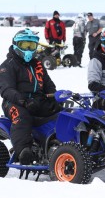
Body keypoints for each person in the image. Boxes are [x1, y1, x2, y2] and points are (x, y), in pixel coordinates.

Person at [0, 29, 62, 165]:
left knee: (61, 112)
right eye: (25, 45)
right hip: (13, 102)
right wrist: (23, 100)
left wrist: (55, 98)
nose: (28, 49)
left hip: (36, 100)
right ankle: (23, 151)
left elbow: (49, 86)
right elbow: (6, 89)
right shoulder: (8, 65)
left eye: (32, 46)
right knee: (22, 116)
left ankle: (58, 145)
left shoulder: (38, 65)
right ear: (16, 45)